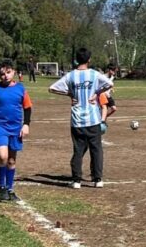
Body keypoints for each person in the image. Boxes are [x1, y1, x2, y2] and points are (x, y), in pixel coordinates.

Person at [49, 48, 113, 189]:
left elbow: (52, 88)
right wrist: (96, 93)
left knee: (78, 150)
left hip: (77, 119)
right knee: (96, 149)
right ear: (89, 60)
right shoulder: (95, 74)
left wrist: (70, 95)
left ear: (77, 59)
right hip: (93, 119)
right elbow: (110, 84)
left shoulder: (70, 76)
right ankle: (97, 179)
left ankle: (76, 180)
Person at [0, 59, 32, 201]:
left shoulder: (21, 89)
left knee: (11, 160)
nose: (6, 76)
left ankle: (10, 189)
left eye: (8, 72)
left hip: (16, 127)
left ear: (14, 72)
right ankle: (1, 187)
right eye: (2, 74)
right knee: (2, 156)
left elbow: (27, 107)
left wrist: (26, 124)